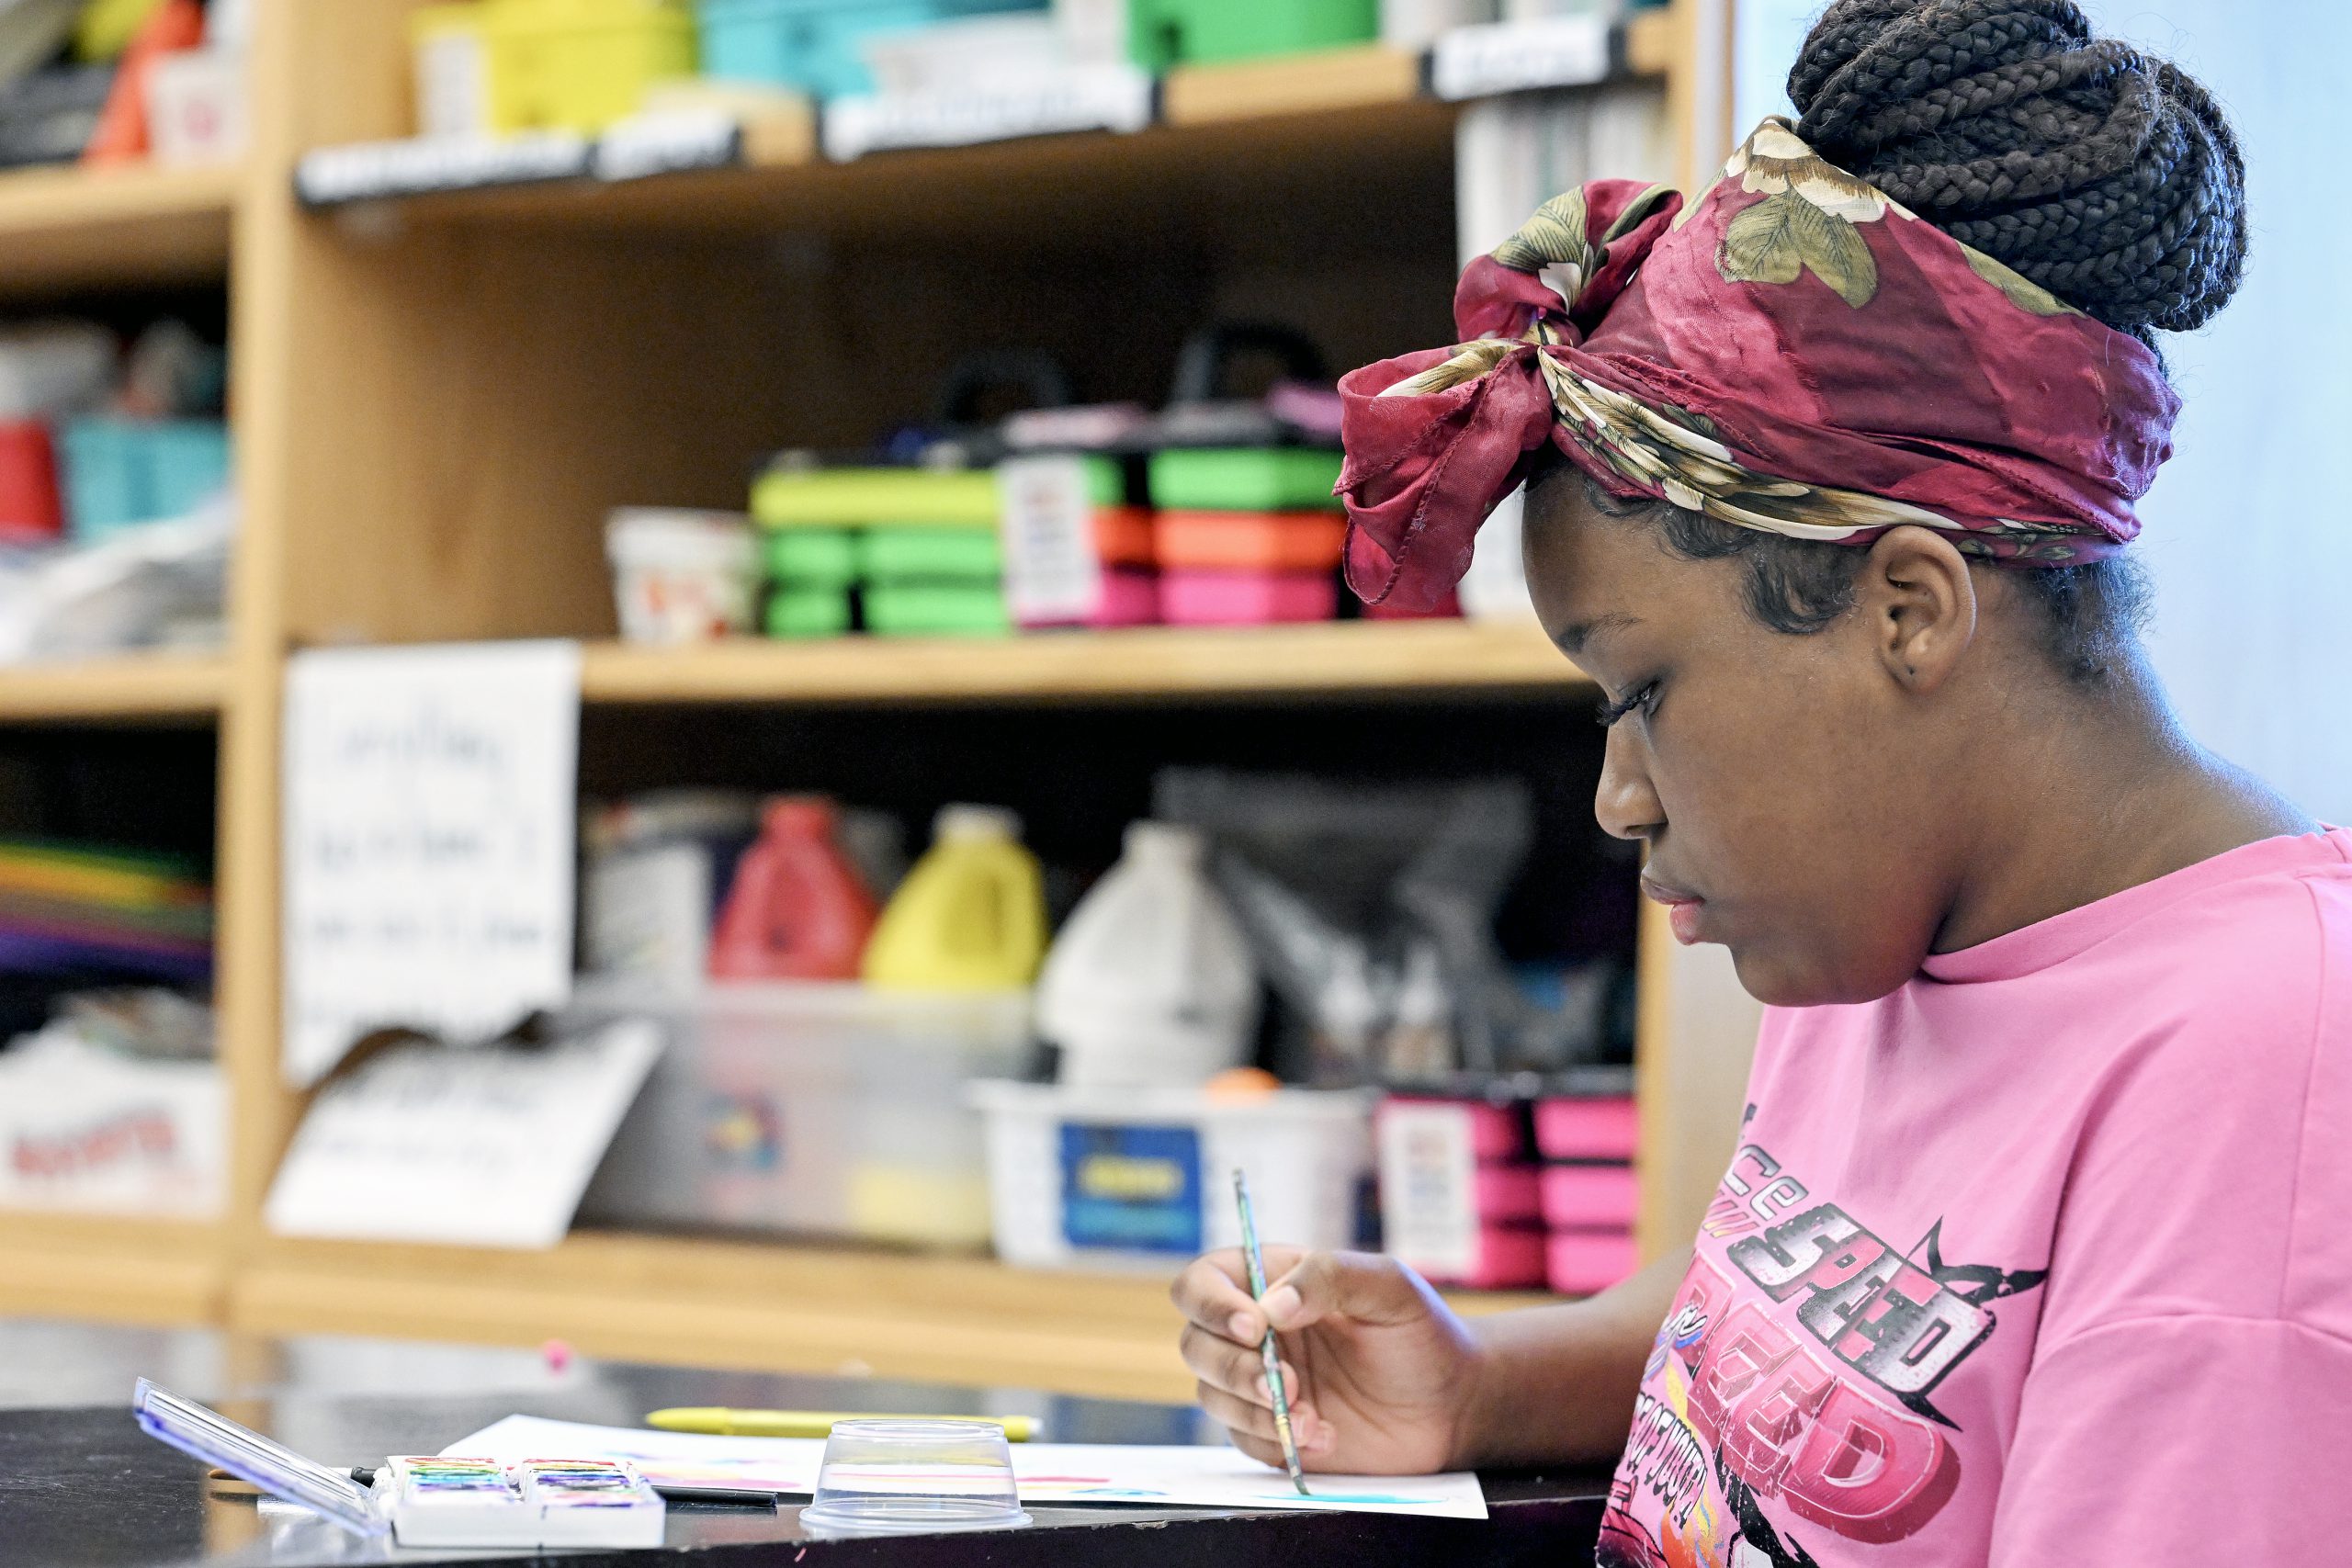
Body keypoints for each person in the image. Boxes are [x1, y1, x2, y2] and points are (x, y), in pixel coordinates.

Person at [1171, 2, 2352, 1562]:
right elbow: (1821, 1308)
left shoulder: (2263, 1079)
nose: (1618, 800)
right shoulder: (1889, 932)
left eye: (1643, 694)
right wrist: (1475, 1387)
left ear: (1907, 610)